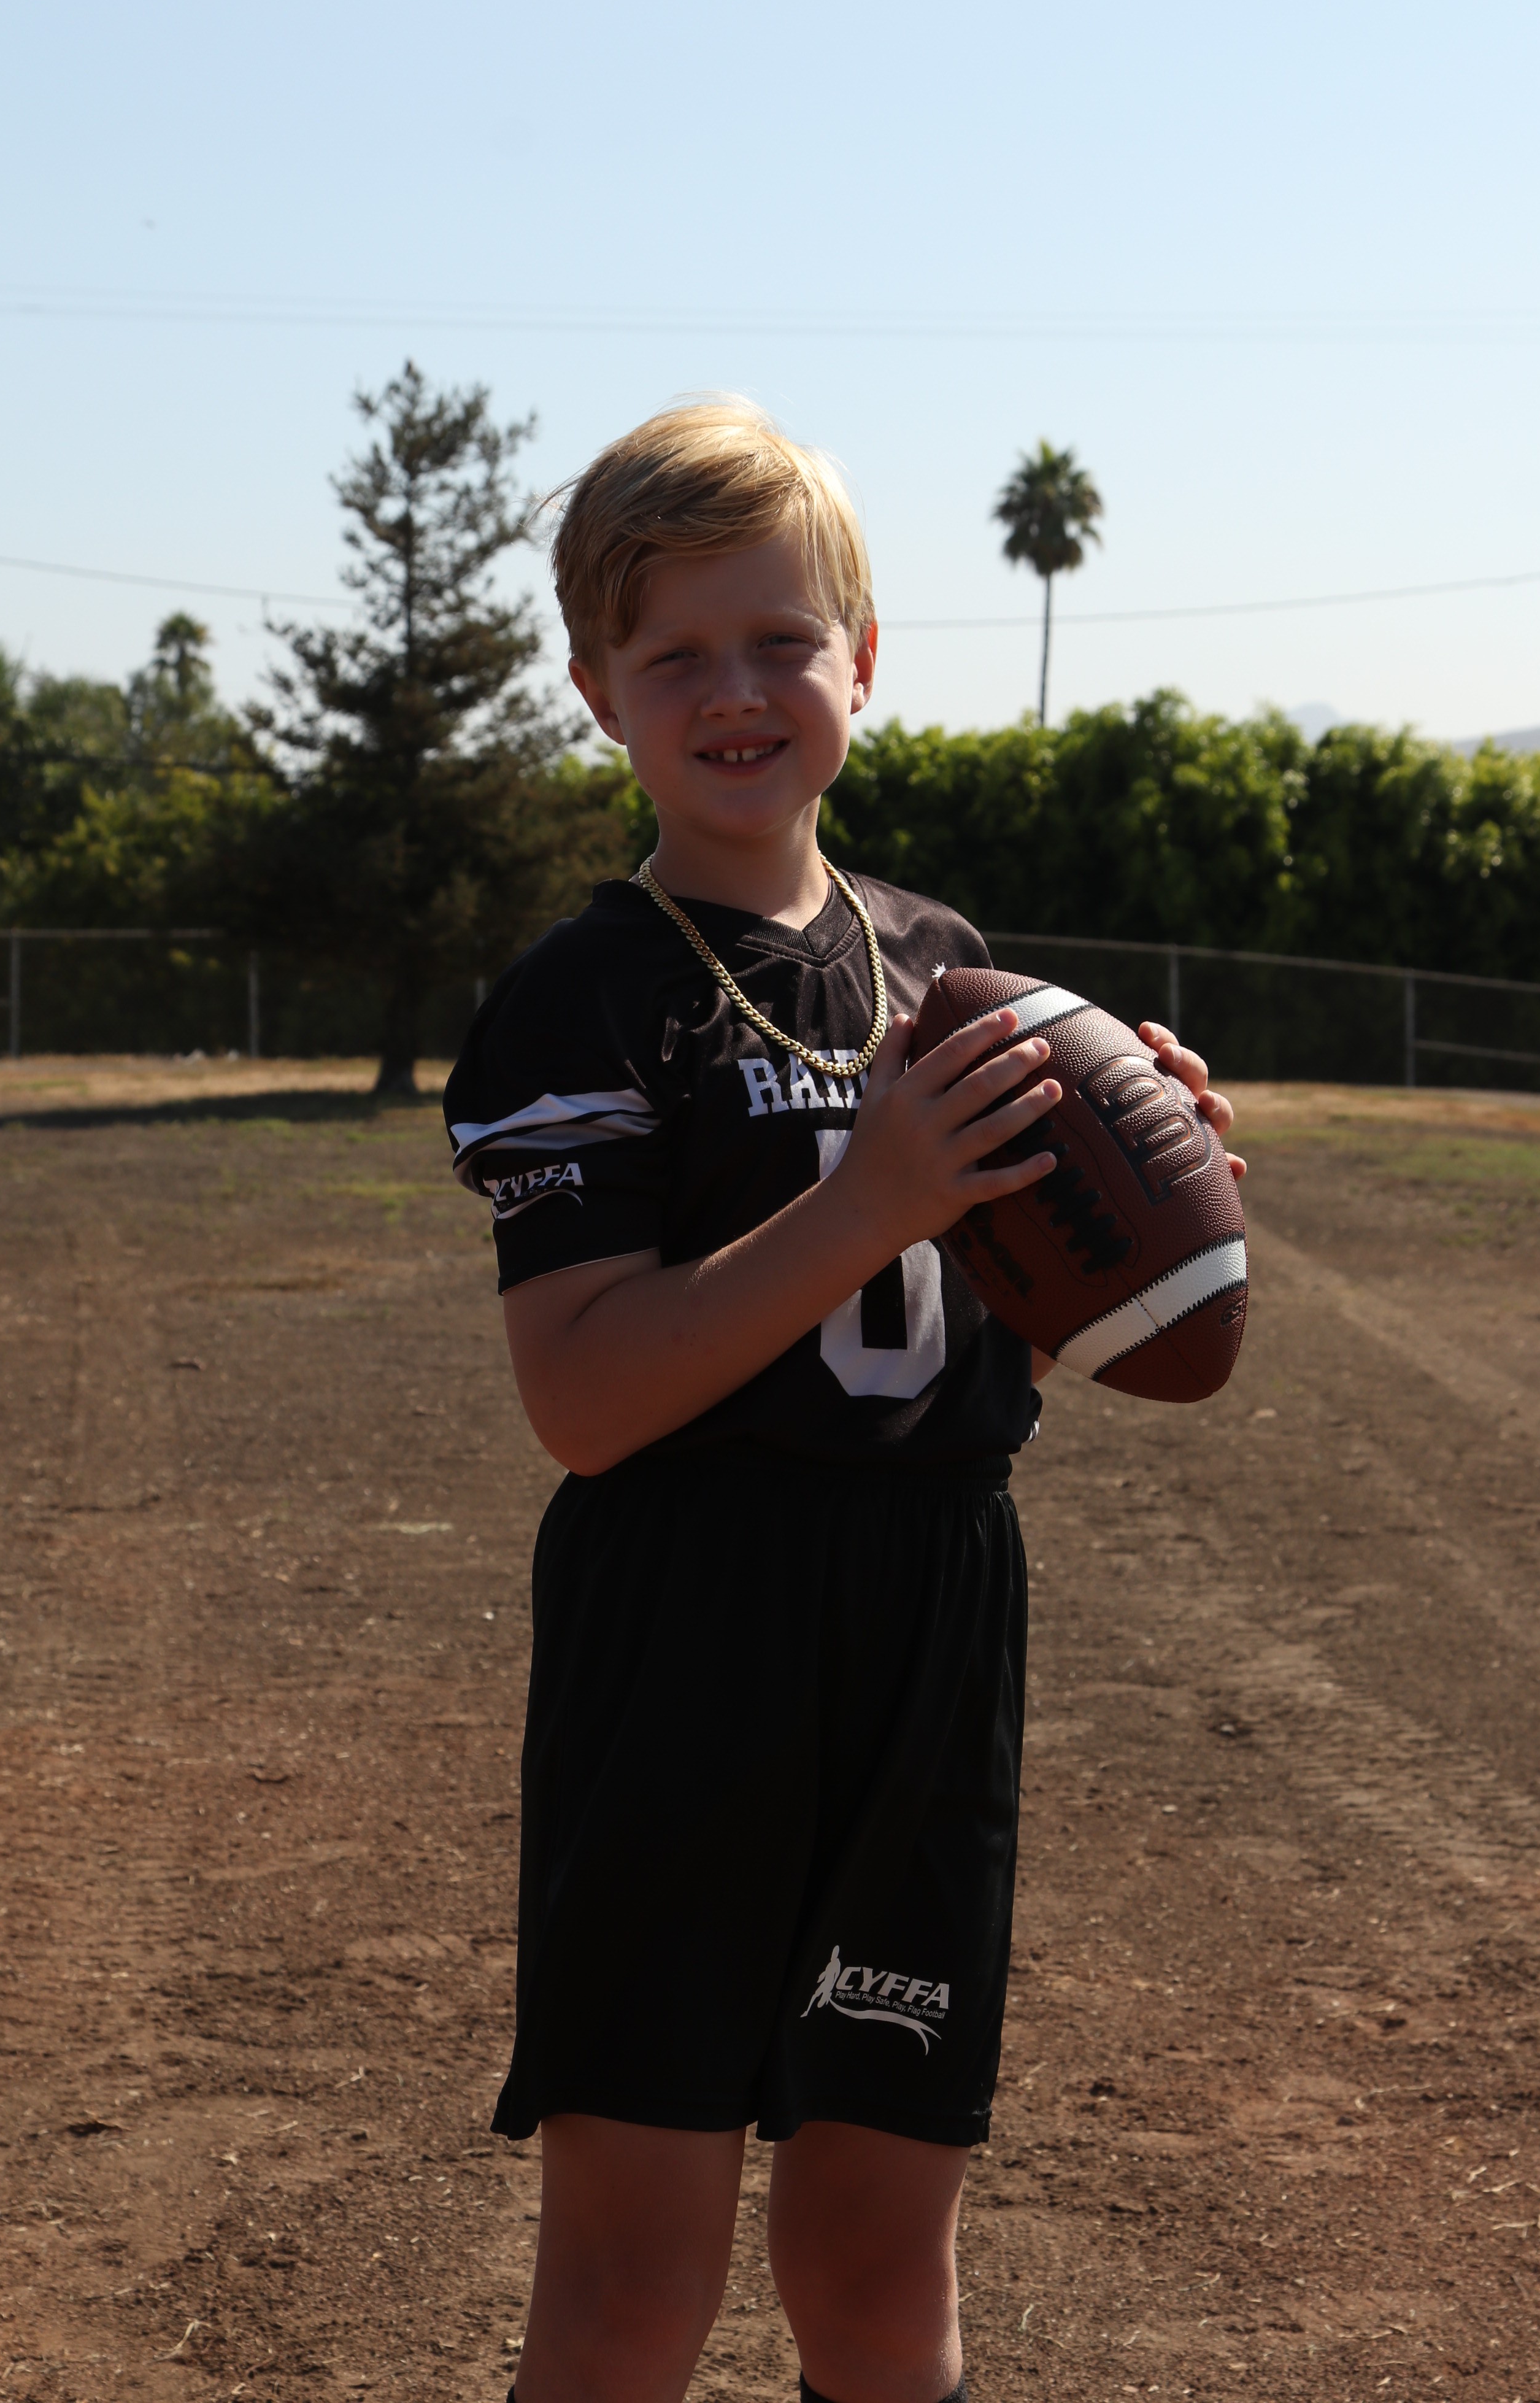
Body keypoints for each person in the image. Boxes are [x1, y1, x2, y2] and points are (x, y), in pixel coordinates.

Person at [442, 401, 1241, 2403]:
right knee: (633, 2286)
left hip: (931, 1620)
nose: (737, 692)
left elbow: (982, 1342)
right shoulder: (585, 996)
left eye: (782, 641)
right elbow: (585, 1401)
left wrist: (1124, 1214)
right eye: (676, 655)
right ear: (597, 694)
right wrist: (871, 1195)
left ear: (863, 662)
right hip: (689, 1632)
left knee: (883, 2273)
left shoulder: (946, 972)